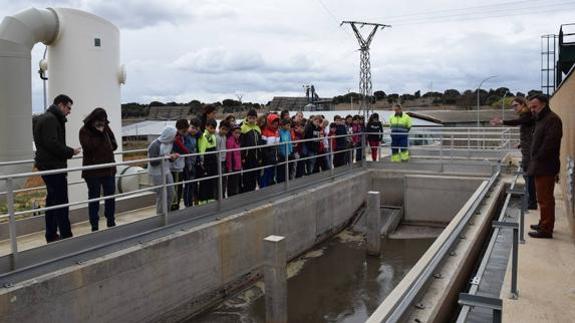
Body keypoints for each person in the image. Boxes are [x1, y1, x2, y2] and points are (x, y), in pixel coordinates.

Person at [33, 94, 81, 243]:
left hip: (49, 165)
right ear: (60, 105)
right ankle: (65, 235)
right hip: (52, 166)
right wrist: (70, 151)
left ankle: (52, 234)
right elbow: (52, 144)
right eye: (68, 107)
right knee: (61, 201)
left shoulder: (47, 118)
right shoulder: (51, 120)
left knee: (53, 200)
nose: (69, 111)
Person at [526, 94, 562, 239]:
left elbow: (550, 144)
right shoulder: (542, 119)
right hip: (540, 165)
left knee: (545, 198)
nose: (532, 110)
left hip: (545, 166)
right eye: (531, 107)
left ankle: (546, 229)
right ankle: (543, 222)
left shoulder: (552, 120)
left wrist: (537, 157)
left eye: (535, 106)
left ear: (544, 104)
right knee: (542, 198)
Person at [491, 97, 537, 209]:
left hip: (530, 150)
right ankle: (531, 199)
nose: (514, 108)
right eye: (512, 106)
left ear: (523, 105)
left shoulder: (527, 115)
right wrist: (521, 144)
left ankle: (532, 202)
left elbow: (518, 122)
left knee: (529, 174)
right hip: (527, 147)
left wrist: (501, 122)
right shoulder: (526, 115)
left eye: (516, 105)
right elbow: (530, 132)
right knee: (527, 174)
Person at [79, 107, 118, 231]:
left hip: (108, 169)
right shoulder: (84, 130)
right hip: (92, 171)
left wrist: (104, 134)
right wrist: (99, 133)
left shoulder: (106, 127)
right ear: (93, 119)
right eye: (100, 120)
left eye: (105, 120)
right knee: (94, 198)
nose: (103, 123)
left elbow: (114, 144)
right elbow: (89, 147)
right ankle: (94, 225)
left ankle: (111, 221)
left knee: (110, 196)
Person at [147, 126, 179, 216]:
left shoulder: (170, 143)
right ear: (169, 135)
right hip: (156, 173)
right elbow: (152, 162)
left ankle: (167, 212)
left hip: (166, 170)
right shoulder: (155, 145)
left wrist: (173, 157)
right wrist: (167, 157)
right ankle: (160, 215)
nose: (175, 138)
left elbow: (169, 157)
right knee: (161, 195)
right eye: (174, 136)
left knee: (171, 192)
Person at [170, 119, 190, 211]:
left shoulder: (180, 137)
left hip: (179, 166)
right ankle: (174, 207)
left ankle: (175, 205)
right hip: (175, 168)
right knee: (176, 190)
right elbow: (185, 151)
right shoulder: (176, 138)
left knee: (178, 189)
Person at [240, 109, 262, 192]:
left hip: (256, 156)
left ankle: (252, 190)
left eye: (253, 118)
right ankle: (246, 192)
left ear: (256, 119)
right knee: (247, 175)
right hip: (247, 156)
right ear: (247, 118)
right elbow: (241, 144)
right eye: (250, 118)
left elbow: (259, 144)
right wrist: (243, 157)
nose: (251, 120)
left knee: (254, 175)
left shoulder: (257, 128)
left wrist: (260, 156)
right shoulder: (243, 128)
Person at [198, 119, 219, 203]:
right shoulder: (203, 136)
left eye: (213, 128)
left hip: (213, 161)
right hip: (206, 161)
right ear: (206, 126)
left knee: (212, 181)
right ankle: (202, 200)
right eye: (210, 128)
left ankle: (211, 198)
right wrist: (202, 163)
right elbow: (201, 151)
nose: (212, 130)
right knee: (204, 181)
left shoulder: (213, 136)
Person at [183, 118, 200, 207]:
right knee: (188, 184)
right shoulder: (186, 136)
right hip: (187, 163)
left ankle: (191, 202)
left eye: (196, 129)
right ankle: (187, 204)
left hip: (193, 163)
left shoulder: (195, 137)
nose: (194, 130)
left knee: (192, 184)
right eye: (192, 127)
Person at [260, 113, 280, 187]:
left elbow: (277, 145)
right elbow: (263, 147)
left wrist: (277, 156)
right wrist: (268, 157)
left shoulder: (277, 132)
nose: (276, 123)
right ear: (269, 122)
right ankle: (263, 190)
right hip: (267, 159)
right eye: (274, 122)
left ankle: (270, 188)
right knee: (265, 175)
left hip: (275, 157)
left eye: (277, 122)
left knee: (272, 174)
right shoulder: (265, 132)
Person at [226, 125, 242, 197]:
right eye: (236, 133)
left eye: (239, 133)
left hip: (238, 166)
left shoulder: (237, 141)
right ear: (232, 132)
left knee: (236, 184)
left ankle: (235, 197)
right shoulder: (230, 141)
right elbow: (229, 155)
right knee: (232, 185)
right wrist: (229, 167)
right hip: (233, 167)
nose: (238, 134)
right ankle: (231, 198)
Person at [277, 118, 293, 183]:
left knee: (288, 169)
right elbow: (279, 143)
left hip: (288, 154)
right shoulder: (279, 132)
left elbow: (289, 142)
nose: (289, 127)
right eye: (287, 125)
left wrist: (291, 151)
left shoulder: (288, 132)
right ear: (283, 125)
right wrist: (278, 153)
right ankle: (280, 182)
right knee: (281, 170)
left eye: (289, 125)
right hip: (281, 154)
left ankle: (287, 181)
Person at [217, 121, 230, 197]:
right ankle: (219, 195)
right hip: (219, 161)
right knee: (220, 179)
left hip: (224, 160)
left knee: (224, 179)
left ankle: (223, 194)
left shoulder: (224, 137)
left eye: (226, 130)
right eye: (223, 129)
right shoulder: (217, 137)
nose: (224, 131)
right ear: (219, 128)